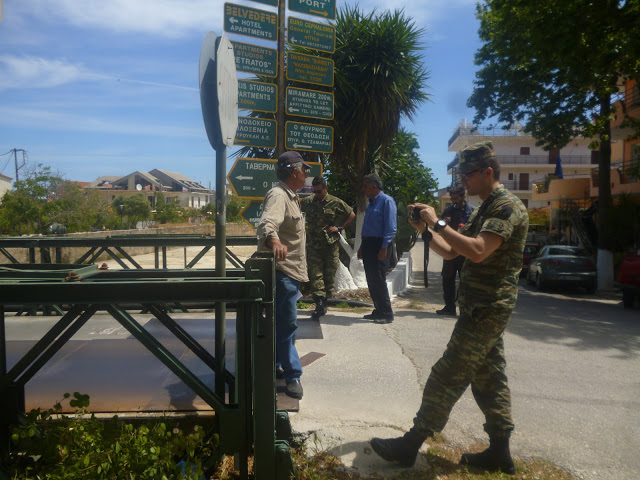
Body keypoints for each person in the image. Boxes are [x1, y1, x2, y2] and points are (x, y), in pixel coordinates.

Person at [370, 141, 528, 475]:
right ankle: (500, 452)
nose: (463, 182)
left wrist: (438, 221)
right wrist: (425, 229)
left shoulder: (507, 206)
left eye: (468, 175)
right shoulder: (486, 207)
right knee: (490, 379)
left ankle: (410, 444)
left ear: (488, 172)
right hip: (479, 308)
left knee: (447, 374)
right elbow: (452, 252)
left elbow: (478, 251)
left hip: (487, 309)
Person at [257, 151, 311, 400]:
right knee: (287, 324)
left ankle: (277, 365)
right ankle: (292, 375)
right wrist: (275, 241)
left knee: (281, 324)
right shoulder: (279, 195)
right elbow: (268, 223)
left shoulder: (291, 197)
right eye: (305, 170)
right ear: (294, 172)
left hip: (290, 272)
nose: (306, 174)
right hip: (282, 272)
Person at [301, 177, 356, 320]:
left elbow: (352, 214)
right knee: (315, 273)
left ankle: (325, 300)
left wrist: (339, 227)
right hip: (313, 244)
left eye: (319, 191)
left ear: (326, 188)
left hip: (330, 244)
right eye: (315, 191)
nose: (317, 194)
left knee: (329, 274)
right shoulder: (307, 202)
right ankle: (319, 302)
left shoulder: (335, 202)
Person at [357, 173, 397, 324]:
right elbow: (367, 227)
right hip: (368, 244)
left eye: (366, 186)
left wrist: (384, 246)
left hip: (379, 244)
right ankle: (378, 310)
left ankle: (387, 313)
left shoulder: (386, 201)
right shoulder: (371, 203)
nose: (364, 189)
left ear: (374, 186)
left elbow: (391, 227)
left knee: (379, 279)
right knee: (371, 279)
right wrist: (362, 245)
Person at [437, 185, 474, 316]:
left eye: (456, 198)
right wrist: (443, 222)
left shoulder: (472, 212)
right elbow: (437, 227)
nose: (454, 201)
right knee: (447, 280)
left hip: (465, 252)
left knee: (466, 282)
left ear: (463, 197)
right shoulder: (448, 210)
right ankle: (449, 307)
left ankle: (465, 309)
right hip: (450, 251)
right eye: (452, 199)